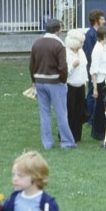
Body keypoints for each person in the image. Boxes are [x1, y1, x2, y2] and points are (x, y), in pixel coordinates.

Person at [29, 19, 76, 149]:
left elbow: (31, 65)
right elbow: (63, 66)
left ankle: (47, 143)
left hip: (39, 82)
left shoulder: (37, 43)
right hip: (55, 82)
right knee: (61, 113)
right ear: (58, 30)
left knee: (44, 114)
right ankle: (67, 142)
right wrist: (63, 80)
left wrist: (34, 81)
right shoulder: (59, 45)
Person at [89, 26, 106, 141]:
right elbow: (94, 70)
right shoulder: (97, 49)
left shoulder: (103, 48)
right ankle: (97, 132)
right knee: (100, 108)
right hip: (101, 82)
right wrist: (94, 88)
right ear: (104, 36)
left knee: (103, 108)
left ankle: (102, 130)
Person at [82, 9, 106, 126]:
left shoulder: (98, 33)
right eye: (102, 19)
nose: (104, 21)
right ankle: (91, 118)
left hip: (99, 68)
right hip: (93, 69)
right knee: (92, 93)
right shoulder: (90, 34)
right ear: (96, 21)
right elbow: (89, 54)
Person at [65, 29, 88, 144]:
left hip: (80, 84)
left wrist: (85, 82)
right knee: (70, 111)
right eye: (80, 42)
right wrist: (72, 66)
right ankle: (66, 134)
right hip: (70, 86)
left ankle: (77, 135)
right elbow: (64, 72)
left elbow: (84, 68)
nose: (82, 44)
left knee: (79, 111)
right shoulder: (66, 53)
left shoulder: (81, 52)